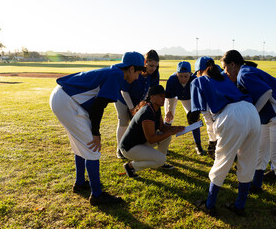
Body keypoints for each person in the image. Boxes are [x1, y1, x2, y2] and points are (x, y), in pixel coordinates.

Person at [49, 51, 145, 205]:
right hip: (66, 101)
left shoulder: (114, 72)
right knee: (92, 147)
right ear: (131, 68)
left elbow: (96, 103)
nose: (138, 76)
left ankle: (80, 183)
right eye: (139, 72)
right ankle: (97, 196)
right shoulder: (116, 75)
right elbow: (99, 106)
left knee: (81, 144)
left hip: (61, 98)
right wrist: (96, 133)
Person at [221, 50, 276, 215]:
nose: (225, 71)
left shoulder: (243, 73)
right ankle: (256, 185)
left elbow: (267, 92)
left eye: (226, 67)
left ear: (233, 64)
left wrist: (253, 113)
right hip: (272, 116)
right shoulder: (244, 72)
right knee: (260, 151)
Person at [191, 56, 261, 216]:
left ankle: (209, 205)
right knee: (248, 160)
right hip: (251, 111)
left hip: (230, 115)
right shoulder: (224, 77)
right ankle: (239, 205)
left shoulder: (198, 81)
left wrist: (213, 139)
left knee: (222, 161)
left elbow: (203, 114)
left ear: (199, 71)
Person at [120, 85, 185, 178]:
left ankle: (160, 163)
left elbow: (162, 128)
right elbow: (151, 139)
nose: (163, 99)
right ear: (152, 97)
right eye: (160, 96)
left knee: (166, 137)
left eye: (164, 96)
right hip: (129, 148)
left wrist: (175, 128)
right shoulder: (147, 112)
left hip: (139, 143)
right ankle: (130, 166)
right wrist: (170, 132)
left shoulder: (155, 108)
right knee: (162, 157)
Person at [115, 50, 160, 159]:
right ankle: (120, 149)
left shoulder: (154, 74)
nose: (153, 68)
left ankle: (137, 147)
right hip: (122, 98)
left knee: (138, 123)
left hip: (138, 100)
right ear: (145, 62)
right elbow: (124, 91)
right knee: (124, 122)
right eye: (151, 65)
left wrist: (145, 106)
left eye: (156, 66)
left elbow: (152, 92)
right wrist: (131, 108)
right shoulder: (135, 71)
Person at [164, 61, 205, 155]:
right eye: (180, 76)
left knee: (194, 120)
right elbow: (170, 97)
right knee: (168, 120)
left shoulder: (194, 79)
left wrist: (195, 112)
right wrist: (169, 111)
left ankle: (198, 145)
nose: (183, 79)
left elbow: (197, 97)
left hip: (188, 98)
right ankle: (164, 146)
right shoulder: (172, 79)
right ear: (177, 74)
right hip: (173, 98)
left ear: (190, 74)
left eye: (186, 76)